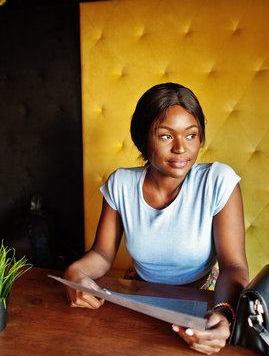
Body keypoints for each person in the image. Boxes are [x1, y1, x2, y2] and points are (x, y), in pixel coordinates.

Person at [63, 82, 249, 355]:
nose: (181, 149)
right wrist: (74, 275)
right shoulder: (121, 185)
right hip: (138, 297)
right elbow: (102, 253)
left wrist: (224, 314)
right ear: (143, 138)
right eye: (165, 136)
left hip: (206, 297)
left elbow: (233, 265)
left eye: (191, 135)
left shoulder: (218, 181)